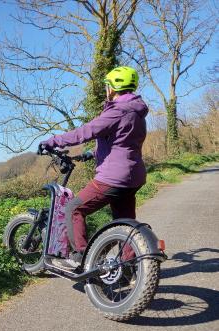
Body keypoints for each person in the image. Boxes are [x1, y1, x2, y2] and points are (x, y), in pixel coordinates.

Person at [39, 66, 148, 271]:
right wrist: (92, 153)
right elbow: (121, 141)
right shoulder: (137, 112)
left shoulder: (117, 111)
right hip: (133, 176)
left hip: (113, 177)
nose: (107, 89)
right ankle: (131, 267)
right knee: (124, 223)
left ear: (113, 88)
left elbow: (85, 132)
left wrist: (53, 141)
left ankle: (81, 257)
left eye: (108, 85)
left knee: (73, 208)